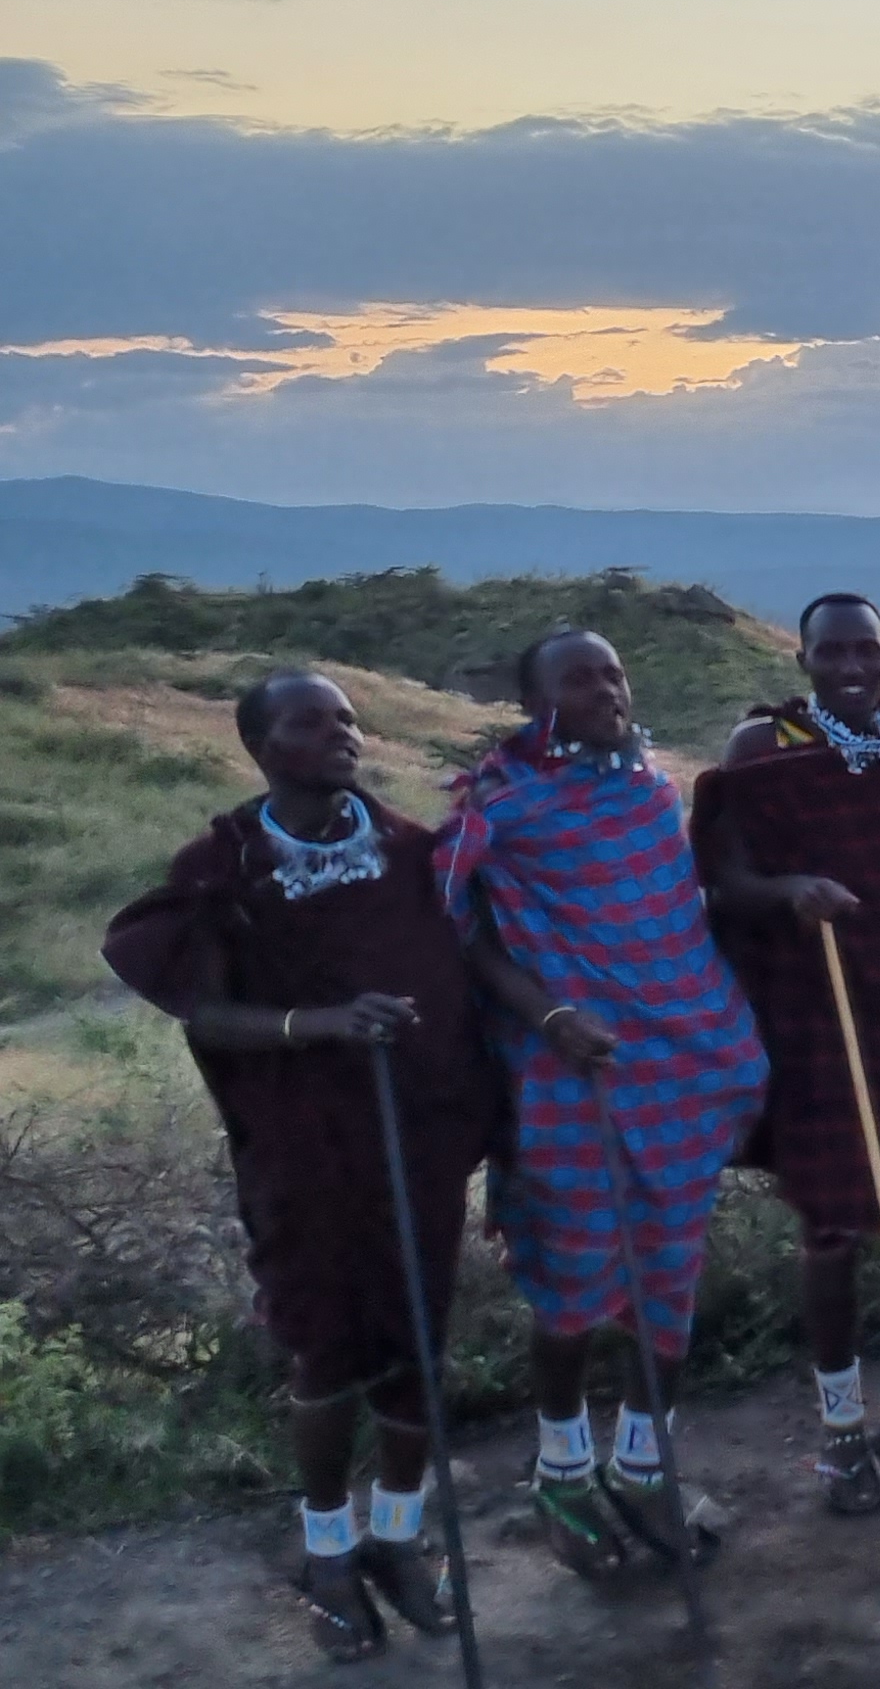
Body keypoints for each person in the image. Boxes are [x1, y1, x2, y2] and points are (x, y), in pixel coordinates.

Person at [102, 670, 508, 1659]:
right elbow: (204, 1010)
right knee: (325, 1350)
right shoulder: (222, 868)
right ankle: (329, 1548)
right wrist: (321, 1023)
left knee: (417, 1340)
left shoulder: (410, 850)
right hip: (304, 1148)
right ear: (259, 746)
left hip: (414, 1135)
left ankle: (401, 1539)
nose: (341, 735)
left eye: (348, 719)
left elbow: (464, 957)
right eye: (310, 722)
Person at [444, 630, 771, 1571]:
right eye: (578, 678)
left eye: (613, 671)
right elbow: (464, 934)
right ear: (537, 701)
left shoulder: (647, 785)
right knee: (574, 1287)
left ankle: (643, 1465)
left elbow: (669, 917)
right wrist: (547, 1015)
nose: (603, 689)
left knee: (669, 1278)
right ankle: (560, 1474)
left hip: (680, 1065)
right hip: (570, 1067)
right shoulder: (503, 804)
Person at [695, 594, 880, 1514]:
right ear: (805, 661)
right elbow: (722, 879)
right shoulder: (764, 751)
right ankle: (836, 1432)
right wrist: (793, 888)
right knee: (829, 1228)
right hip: (821, 1015)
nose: (853, 664)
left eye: (867, 648)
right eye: (833, 651)